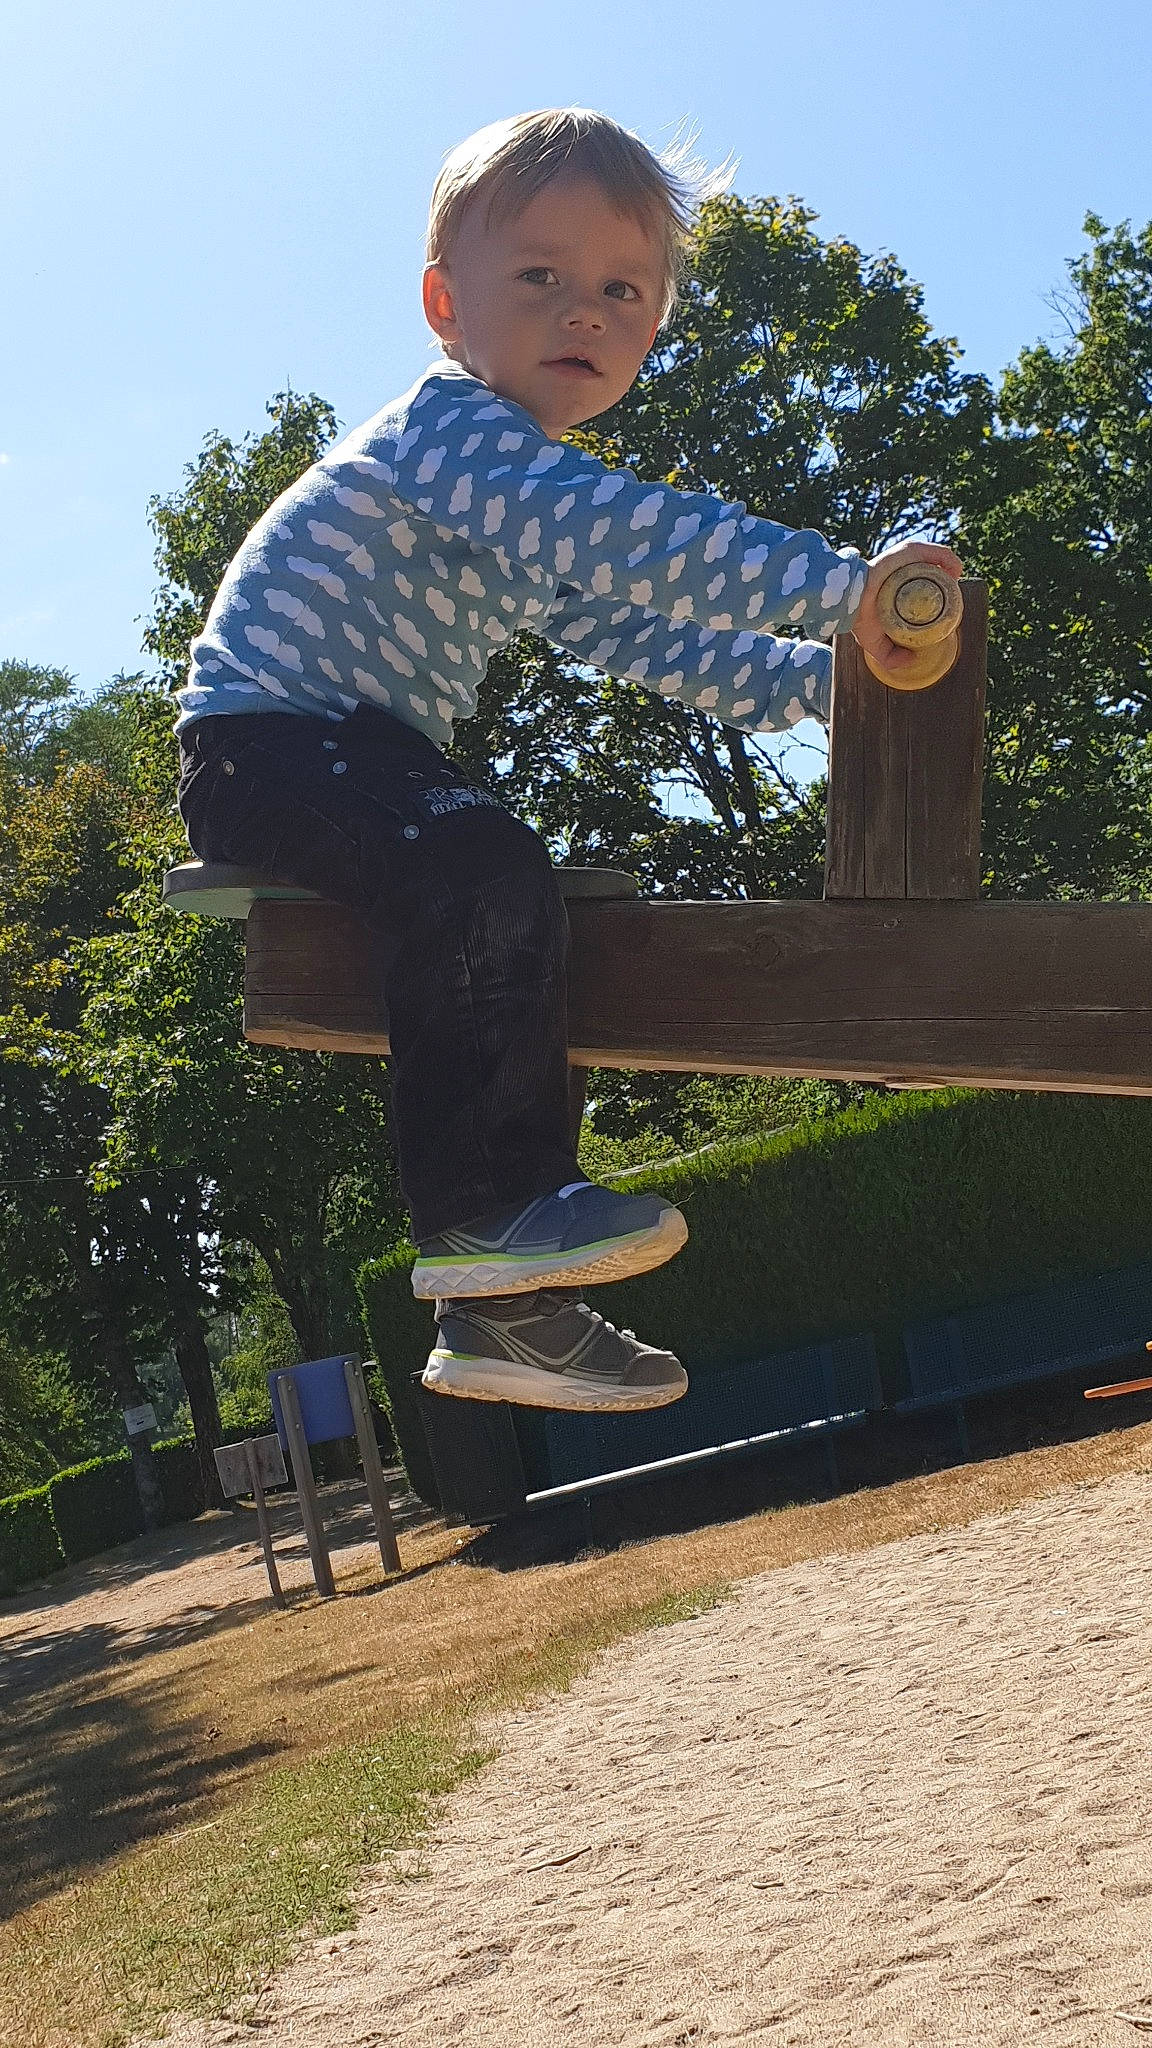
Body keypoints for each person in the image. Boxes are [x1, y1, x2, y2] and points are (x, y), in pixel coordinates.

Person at [175, 107, 962, 1414]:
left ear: (653, 328)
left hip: (350, 751)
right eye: (538, 278)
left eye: (621, 291)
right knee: (482, 865)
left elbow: (635, 632)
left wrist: (828, 689)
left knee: (535, 910)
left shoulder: (517, 491)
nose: (581, 313)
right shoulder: (459, 437)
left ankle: (508, 1309)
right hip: (263, 742)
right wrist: (839, 592)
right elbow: (627, 541)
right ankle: (486, 1219)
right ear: (447, 302)